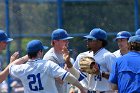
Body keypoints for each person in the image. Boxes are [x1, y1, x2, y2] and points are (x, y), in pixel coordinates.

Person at [9, 40, 87, 93]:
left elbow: (11, 67)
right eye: (42, 50)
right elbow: (67, 76)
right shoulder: (48, 64)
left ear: (28, 54)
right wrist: (81, 88)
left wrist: (25, 57)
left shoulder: (22, 68)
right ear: (40, 52)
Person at [73, 28, 116, 92]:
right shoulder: (86, 56)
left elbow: (116, 77)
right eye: (87, 39)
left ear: (99, 42)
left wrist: (100, 73)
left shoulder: (108, 56)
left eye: (90, 39)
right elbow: (74, 75)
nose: (87, 41)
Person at [43, 29, 74, 93]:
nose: (67, 42)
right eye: (64, 40)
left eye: (67, 40)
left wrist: (72, 87)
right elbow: (60, 80)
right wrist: (67, 62)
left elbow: (71, 77)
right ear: (55, 41)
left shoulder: (64, 53)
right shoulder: (50, 57)